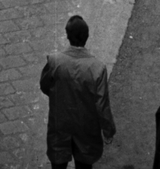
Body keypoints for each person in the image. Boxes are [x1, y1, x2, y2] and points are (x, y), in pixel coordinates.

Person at [40, 15, 117, 169]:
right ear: (87, 37)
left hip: (60, 122)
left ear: (67, 36)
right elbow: (102, 104)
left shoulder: (55, 61)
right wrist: (108, 130)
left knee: (58, 162)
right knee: (84, 164)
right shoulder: (97, 68)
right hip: (86, 126)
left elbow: (45, 85)